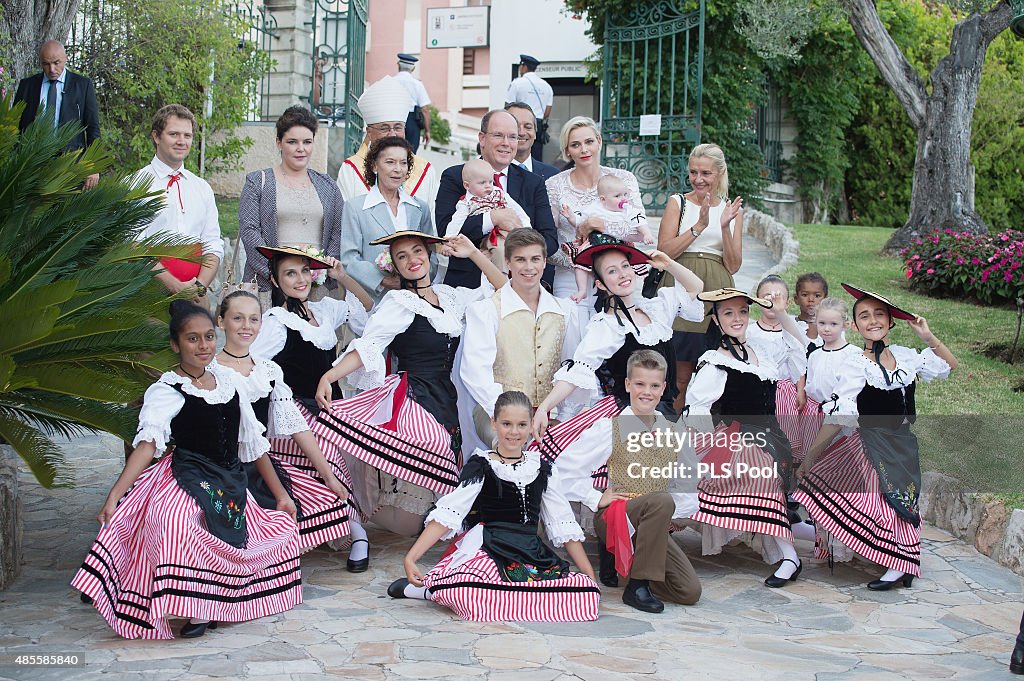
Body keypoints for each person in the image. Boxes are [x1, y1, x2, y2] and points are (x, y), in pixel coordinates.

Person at [71, 301, 302, 639]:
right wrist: (114, 497)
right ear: (175, 345)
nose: (203, 346)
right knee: (177, 521)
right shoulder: (167, 390)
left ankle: (220, 601)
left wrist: (280, 495)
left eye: (209, 337)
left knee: (269, 528)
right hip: (188, 474)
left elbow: (253, 443)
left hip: (230, 478)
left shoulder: (229, 382)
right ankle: (196, 607)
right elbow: (148, 445)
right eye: (192, 339)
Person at [314, 232, 507, 538]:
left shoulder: (450, 296)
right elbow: (370, 345)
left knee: (434, 503)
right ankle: (353, 512)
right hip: (413, 396)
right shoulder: (399, 302)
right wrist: (330, 375)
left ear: (429, 256)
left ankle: (434, 514)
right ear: (395, 267)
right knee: (411, 519)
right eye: (402, 256)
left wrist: (472, 252)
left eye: (417, 251)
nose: (412, 260)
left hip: (447, 395)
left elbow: (503, 290)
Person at [792, 285, 956, 590]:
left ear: (890, 320)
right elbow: (840, 414)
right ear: (855, 326)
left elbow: (949, 365)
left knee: (903, 502)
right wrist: (811, 458)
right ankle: (895, 562)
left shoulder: (907, 357)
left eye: (879, 314)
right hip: (868, 444)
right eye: (864, 316)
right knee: (879, 502)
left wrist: (927, 337)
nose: (873, 320)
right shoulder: (856, 365)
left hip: (902, 443)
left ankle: (903, 563)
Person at [385, 391, 600, 622]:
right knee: (468, 587)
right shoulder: (482, 465)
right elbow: (449, 514)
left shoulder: (542, 468)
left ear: (530, 427)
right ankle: (429, 590)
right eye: (507, 424)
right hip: (490, 547)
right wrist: (411, 557)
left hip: (530, 552)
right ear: (494, 423)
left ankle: (494, 598)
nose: (514, 432)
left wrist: (589, 576)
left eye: (521, 424)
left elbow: (561, 522)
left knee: (583, 593)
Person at [249, 247, 372, 570]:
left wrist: (343, 277)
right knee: (326, 461)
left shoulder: (326, 310)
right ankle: (353, 530)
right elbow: (254, 367)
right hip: (294, 414)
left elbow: (368, 313)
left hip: (330, 407)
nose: (301, 279)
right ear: (275, 280)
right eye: (290, 273)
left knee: (348, 452)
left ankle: (352, 527)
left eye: (305, 271)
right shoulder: (275, 322)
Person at [555, 350, 701, 613]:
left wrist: (675, 512)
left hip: (652, 518)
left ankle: (632, 566)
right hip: (617, 515)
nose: (647, 392)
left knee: (689, 592)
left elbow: (686, 479)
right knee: (660, 500)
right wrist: (596, 497)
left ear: (664, 388)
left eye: (654, 385)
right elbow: (563, 470)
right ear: (627, 385)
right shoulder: (611, 428)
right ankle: (637, 585)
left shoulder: (672, 430)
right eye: (640, 384)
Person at [214, 291, 353, 551]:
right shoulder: (211, 371)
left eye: (253, 319)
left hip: (258, 467)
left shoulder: (268, 371)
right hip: (218, 468)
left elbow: (297, 425)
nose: (246, 326)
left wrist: (329, 477)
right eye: (237, 318)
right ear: (221, 321)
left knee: (325, 504)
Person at [683, 288, 801, 588]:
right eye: (728, 313)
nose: (737, 319)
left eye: (743, 312)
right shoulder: (715, 360)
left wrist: (780, 312)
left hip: (771, 436)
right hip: (734, 436)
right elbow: (697, 409)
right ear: (717, 320)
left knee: (767, 472)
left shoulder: (763, 349)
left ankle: (792, 542)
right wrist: (701, 449)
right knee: (757, 474)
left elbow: (802, 345)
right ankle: (790, 556)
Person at [533, 236, 704, 428]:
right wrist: (544, 408)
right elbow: (577, 371)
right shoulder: (606, 326)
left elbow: (696, 287)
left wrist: (669, 264)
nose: (622, 274)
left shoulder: (657, 309)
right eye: (612, 271)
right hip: (627, 418)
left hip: (663, 414)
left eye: (625, 266)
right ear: (601, 284)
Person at [458, 229, 587, 455]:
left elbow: (571, 369)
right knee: (513, 450)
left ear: (545, 262)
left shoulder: (564, 311)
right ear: (507, 262)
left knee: (569, 455)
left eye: (535, 259)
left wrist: (564, 419)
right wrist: (510, 420)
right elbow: (474, 372)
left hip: (547, 414)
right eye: (520, 260)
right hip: (495, 412)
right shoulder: (487, 310)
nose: (529, 267)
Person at [656, 143, 744, 413]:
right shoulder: (678, 203)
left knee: (715, 372)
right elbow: (663, 252)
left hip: (718, 289)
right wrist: (699, 227)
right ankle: (671, 436)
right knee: (680, 374)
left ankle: (706, 442)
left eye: (705, 173)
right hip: (682, 287)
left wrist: (724, 226)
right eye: (693, 172)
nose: (698, 179)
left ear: (719, 173)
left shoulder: (732, 210)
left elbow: (734, 264)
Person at [437, 109, 558, 288]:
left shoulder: (533, 183)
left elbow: (550, 240)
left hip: (521, 286)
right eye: (498, 135)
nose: (506, 143)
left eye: (512, 137)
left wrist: (521, 236)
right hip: (469, 284)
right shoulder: (455, 176)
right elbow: (445, 231)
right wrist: (493, 218)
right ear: (482, 138)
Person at [239, 106, 345, 303]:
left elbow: (337, 232)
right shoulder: (257, 182)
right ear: (279, 143)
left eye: (307, 142)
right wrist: (276, 273)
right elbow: (250, 231)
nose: (300, 148)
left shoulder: (328, 185)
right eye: (292, 142)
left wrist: (322, 268)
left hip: (316, 287)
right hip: (269, 286)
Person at [545, 117, 649, 308]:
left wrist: (598, 225)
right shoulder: (554, 185)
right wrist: (580, 260)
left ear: (599, 141)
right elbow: (549, 243)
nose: (584, 150)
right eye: (575, 145)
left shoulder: (624, 179)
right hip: (571, 277)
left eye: (589, 142)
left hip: (619, 275)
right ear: (567, 150)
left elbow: (638, 233)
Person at [134, 105, 223, 303]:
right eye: (174, 134)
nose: (182, 141)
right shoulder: (136, 184)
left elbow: (212, 243)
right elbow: (132, 244)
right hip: (150, 294)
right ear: (156, 136)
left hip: (196, 296)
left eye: (187, 135)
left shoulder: (202, 187)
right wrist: (173, 285)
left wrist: (199, 286)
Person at [340, 136, 435, 305]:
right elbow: (349, 258)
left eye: (403, 163)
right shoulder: (355, 207)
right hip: (374, 300)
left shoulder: (420, 208)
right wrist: (382, 280)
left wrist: (418, 280)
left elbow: (431, 254)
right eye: (390, 162)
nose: (398, 169)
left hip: (417, 298)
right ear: (375, 166)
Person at [337, 76, 439, 218]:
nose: (392, 135)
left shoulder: (425, 170)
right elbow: (344, 221)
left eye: (398, 127)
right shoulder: (351, 169)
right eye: (384, 128)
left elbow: (431, 224)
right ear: (370, 133)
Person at [14, 40, 100, 189]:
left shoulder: (83, 85)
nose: (52, 69)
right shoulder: (27, 85)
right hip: (32, 166)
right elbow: (16, 128)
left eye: (56, 63)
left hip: (71, 166)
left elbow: (93, 129)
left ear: (66, 58)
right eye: (46, 64)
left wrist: (94, 167)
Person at [561, 174, 654, 304]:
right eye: (617, 196)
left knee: (623, 266)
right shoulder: (595, 207)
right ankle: (582, 290)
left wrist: (646, 234)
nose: (624, 199)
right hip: (596, 241)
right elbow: (581, 221)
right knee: (580, 262)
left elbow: (639, 220)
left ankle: (623, 293)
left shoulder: (628, 209)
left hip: (618, 245)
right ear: (603, 199)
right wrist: (570, 217)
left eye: (625, 194)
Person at [745, 275, 808, 460]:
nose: (772, 301)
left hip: (784, 391)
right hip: (758, 390)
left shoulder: (791, 330)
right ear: (757, 301)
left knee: (785, 432)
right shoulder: (750, 331)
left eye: (777, 297)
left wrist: (800, 389)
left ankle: (787, 467)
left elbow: (798, 360)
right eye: (766, 297)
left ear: (787, 302)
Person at [443, 158, 531, 275]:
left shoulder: (498, 192)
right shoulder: (466, 203)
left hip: (511, 232)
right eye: (482, 183)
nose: (488, 186)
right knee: (500, 250)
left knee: (523, 250)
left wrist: (527, 227)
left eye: (490, 182)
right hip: (489, 237)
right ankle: (502, 281)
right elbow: (456, 222)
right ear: (467, 185)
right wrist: (448, 241)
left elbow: (517, 209)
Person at [505, 55, 553, 162]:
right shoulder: (546, 86)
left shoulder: (517, 83)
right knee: (536, 158)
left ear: (524, 66)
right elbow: (547, 112)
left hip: (518, 124)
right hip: (538, 125)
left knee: (515, 155)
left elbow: (507, 108)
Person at [505, 102, 560, 179]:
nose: (521, 133)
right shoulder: (489, 173)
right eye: (515, 126)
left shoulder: (554, 176)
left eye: (528, 127)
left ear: (535, 132)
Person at [394, 53, 431, 153]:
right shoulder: (417, 84)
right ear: (413, 69)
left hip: (393, 119)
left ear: (398, 65)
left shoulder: (390, 81)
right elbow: (425, 110)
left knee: (392, 151)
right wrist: (427, 131)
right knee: (410, 155)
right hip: (411, 121)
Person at [794, 272, 829, 342]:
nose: (811, 300)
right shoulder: (790, 324)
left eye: (817, 296)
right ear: (796, 299)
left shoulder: (831, 327)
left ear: (825, 300)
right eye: (805, 295)